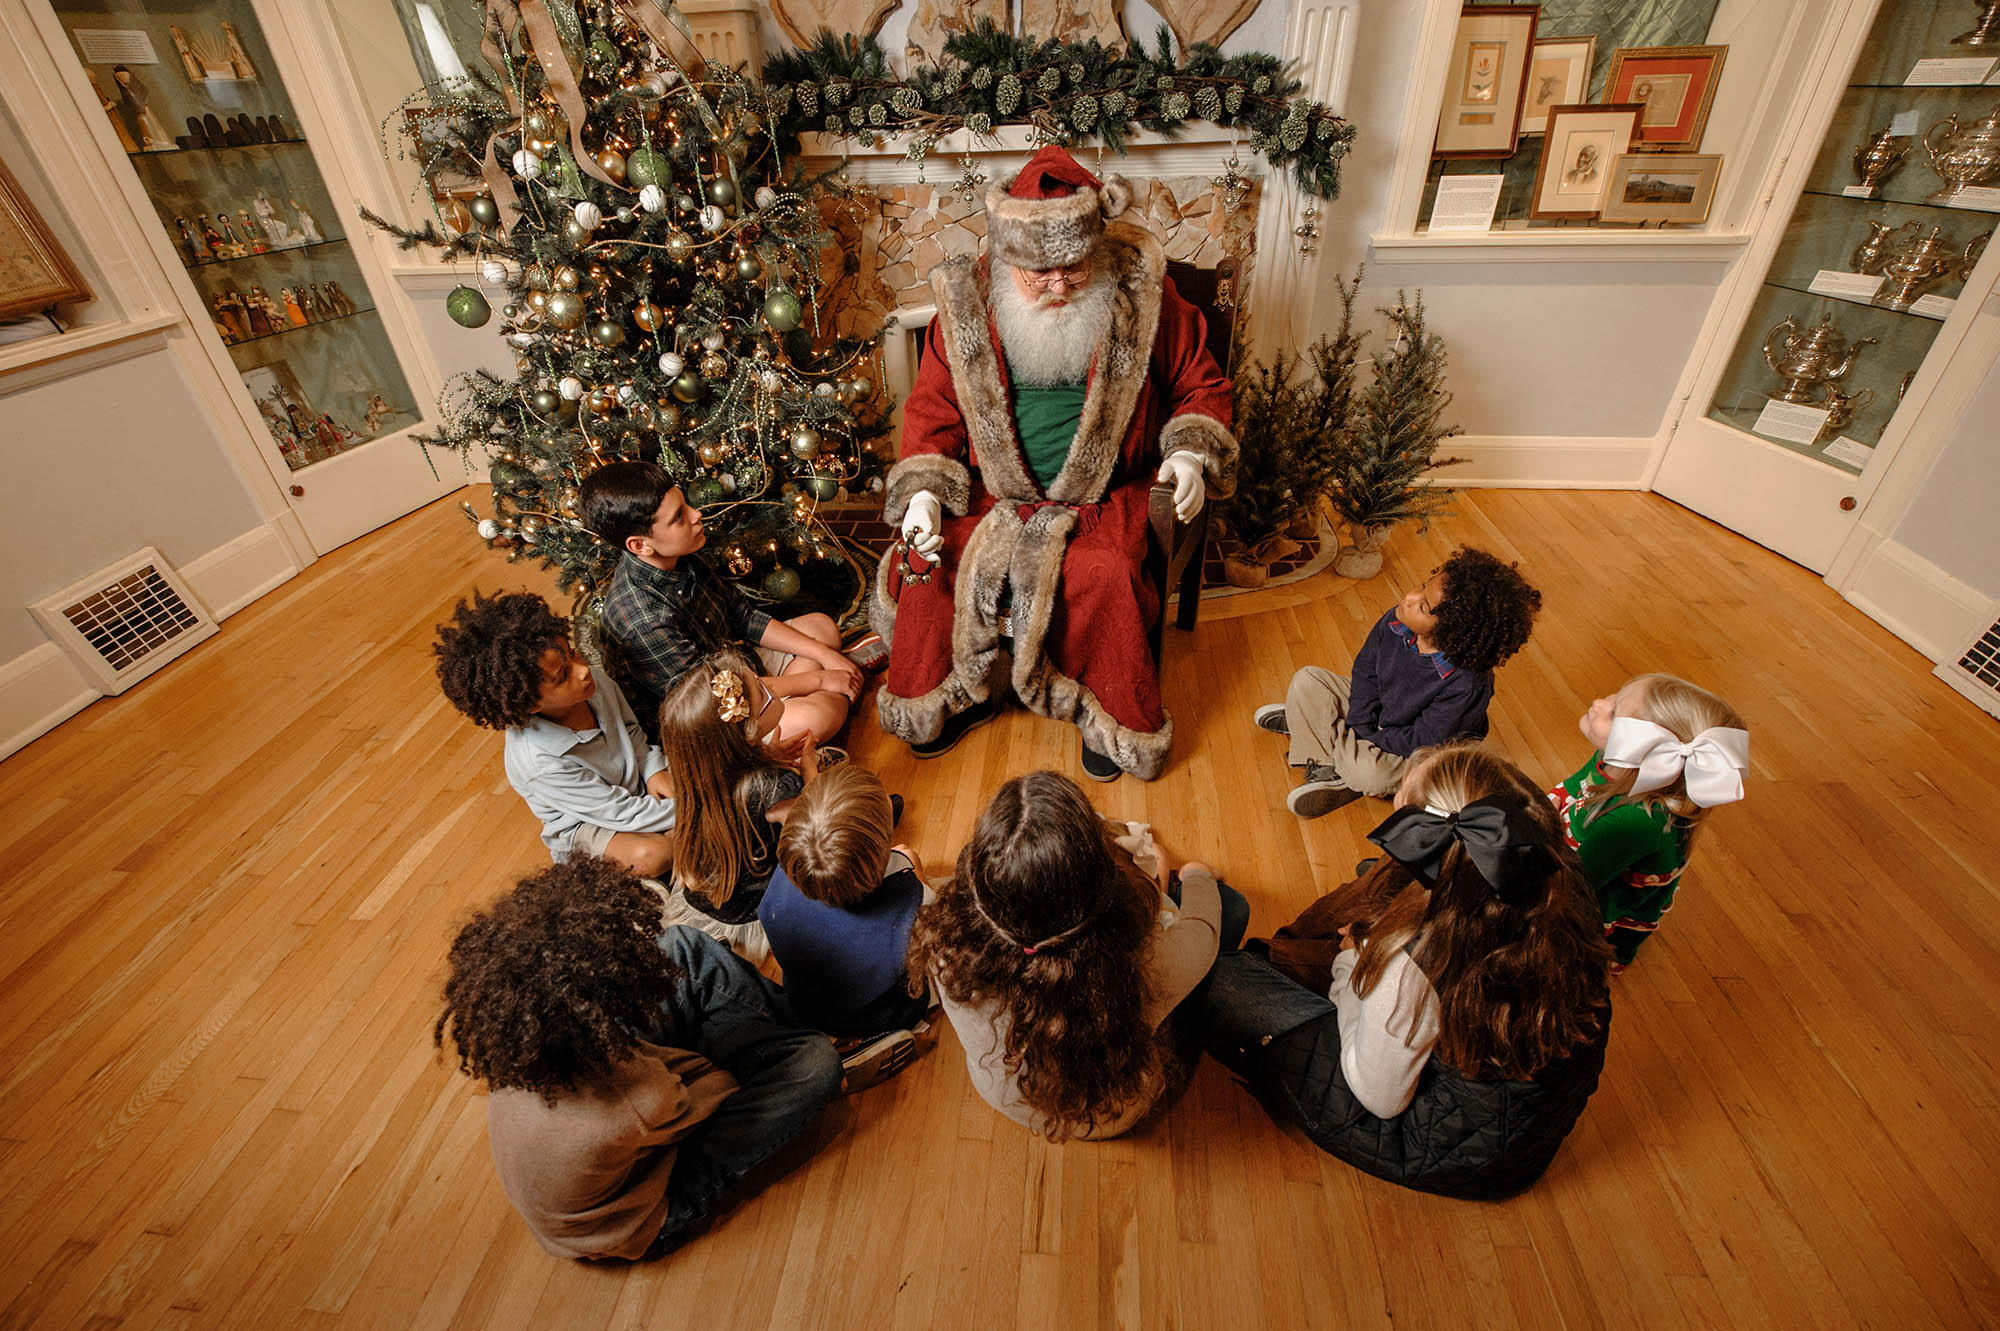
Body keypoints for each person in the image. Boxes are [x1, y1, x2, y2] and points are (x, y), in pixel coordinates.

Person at [874, 145, 1238, 782]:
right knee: (930, 563)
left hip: (1104, 496)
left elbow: (1200, 386)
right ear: (1009, 255)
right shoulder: (966, 305)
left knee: (1107, 575)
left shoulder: (1144, 297)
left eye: (1074, 267)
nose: (1059, 284)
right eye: (1038, 273)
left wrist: (1188, 454)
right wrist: (926, 493)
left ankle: (1107, 713)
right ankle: (959, 692)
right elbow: (932, 407)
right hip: (995, 496)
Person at [1193, 742, 1614, 1200]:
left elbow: (1378, 1096)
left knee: (1219, 981)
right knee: (1373, 881)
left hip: (1434, 1142)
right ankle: (1285, 961)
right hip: (1517, 1117)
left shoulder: (1413, 965)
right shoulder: (1555, 873)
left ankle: (1272, 970)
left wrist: (1351, 965)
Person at [438, 858, 916, 1260]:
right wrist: (738, 1046)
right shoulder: (631, 1101)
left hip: (610, 1129)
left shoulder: (526, 1035)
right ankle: (828, 1051)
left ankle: (803, 1029)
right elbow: (712, 1088)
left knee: (678, 948)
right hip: (645, 1210)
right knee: (813, 1067)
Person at [908, 771, 1248, 1140]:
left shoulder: (940, 939)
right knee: (1233, 907)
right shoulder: (1148, 965)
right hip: (1111, 1115)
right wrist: (1196, 875)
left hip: (1002, 1095)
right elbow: (1204, 930)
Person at [584, 460, 870, 748]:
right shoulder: (641, 620)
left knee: (822, 629)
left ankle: (791, 704)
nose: (696, 515)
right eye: (679, 517)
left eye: (686, 506)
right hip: (712, 721)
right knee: (817, 716)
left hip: (738, 673)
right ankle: (795, 712)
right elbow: (719, 698)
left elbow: (742, 617)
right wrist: (819, 681)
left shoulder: (677, 554)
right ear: (640, 545)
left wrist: (825, 657)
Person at [1254, 547, 1542, 817]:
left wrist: (1371, 735)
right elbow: (1365, 671)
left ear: (1453, 630)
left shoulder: (1466, 685)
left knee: (1370, 775)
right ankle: (1322, 732)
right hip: (1379, 714)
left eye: (1424, 606)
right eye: (1420, 587)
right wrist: (1360, 719)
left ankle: (1318, 732)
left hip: (1415, 748)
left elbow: (1422, 741)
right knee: (1307, 679)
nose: (1409, 598)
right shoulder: (1396, 621)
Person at [433, 591, 675, 879]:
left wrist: (652, 768)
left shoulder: (592, 684)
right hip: (590, 821)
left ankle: (684, 836)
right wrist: (695, 808)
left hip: (632, 788)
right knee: (651, 856)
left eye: (572, 653)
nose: (583, 670)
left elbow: (631, 729)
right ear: (530, 702)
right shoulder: (539, 762)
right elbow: (617, 813)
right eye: (563, 676)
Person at [1551, 673, 1749, 967]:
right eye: (1614, 696)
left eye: (1615, 713)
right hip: (1577, 860)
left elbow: (1572, 885)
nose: (1599, 703)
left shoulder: (1634, 823)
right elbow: (1570, 789)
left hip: (1580, 893)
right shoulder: (1609, 760)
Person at [656, 650, 817, 957]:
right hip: (756, 908)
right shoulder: (773, 789)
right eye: (761, 690)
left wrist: (769, 756)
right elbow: (814, 828)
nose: (768, 686)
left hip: (709, 897)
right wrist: (811, 777)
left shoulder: (704, 773)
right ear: (749, 730)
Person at [761, 763, 933, 1037]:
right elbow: (929, 936)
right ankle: (886, 1037)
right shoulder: (910, 907)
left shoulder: (783, 878)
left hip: (807, 1004)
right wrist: (917, 874)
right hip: (882, 1014)